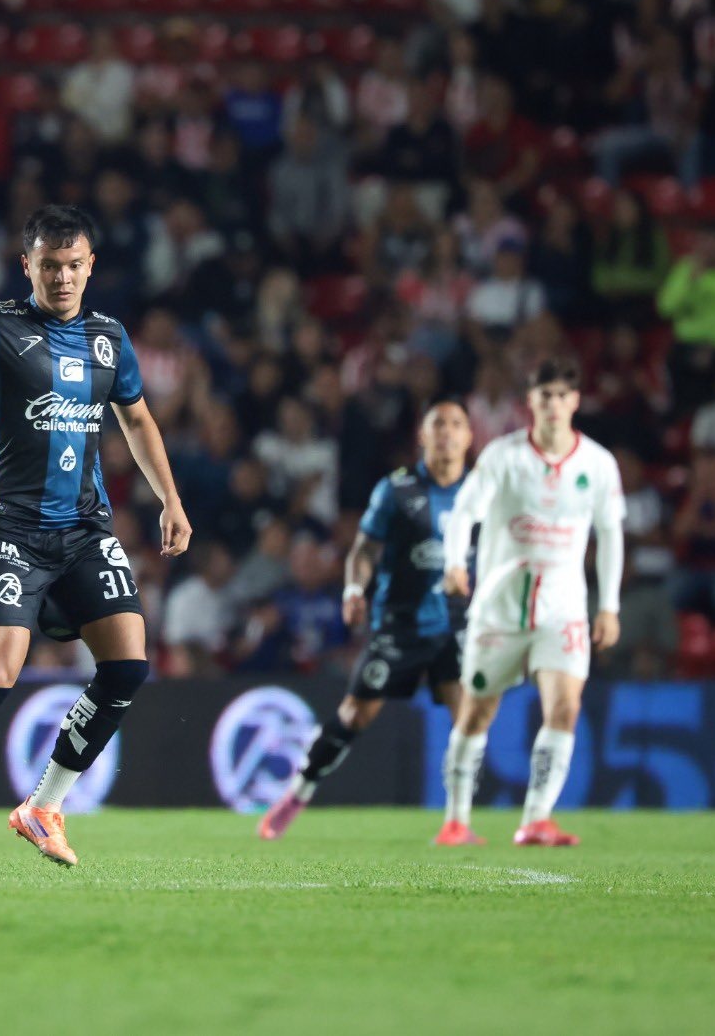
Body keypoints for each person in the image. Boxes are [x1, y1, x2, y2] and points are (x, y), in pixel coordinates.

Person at [0, 205, 192, 865]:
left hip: (85, 529)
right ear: (26, 264)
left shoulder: (109, 339)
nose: (62, 277)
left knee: (127, 665)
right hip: (9, 526)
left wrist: (170, 498)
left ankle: (44, 806)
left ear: (90, 266)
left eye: (73, 265)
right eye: (49, 265)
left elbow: (140, 421)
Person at [260, 400, 474, 839]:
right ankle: (297, 792)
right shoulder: (396, 490)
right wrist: (355, 589)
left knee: (468, 719)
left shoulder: (480, 493)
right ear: (422, 435)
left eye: (456, 425)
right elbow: (364, 548)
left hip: (458, 625)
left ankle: (457, 820)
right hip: (401, 623)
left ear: (470, 436)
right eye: (439, 424)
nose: (448, 433)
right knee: (355, 714)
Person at [438, 359, 624, 847]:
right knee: (476, 712)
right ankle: (456, 820)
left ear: (576, 402)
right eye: (545, 396)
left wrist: (609, 606)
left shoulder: (598, 464)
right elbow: (464, 512)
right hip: (499, 606)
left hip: (563, 607)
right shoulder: (504, 456)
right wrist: (455, 563)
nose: (554, 406)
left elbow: (610, 534)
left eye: (562, 396)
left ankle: (536, 818)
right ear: (531, 403)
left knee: (565, 707)